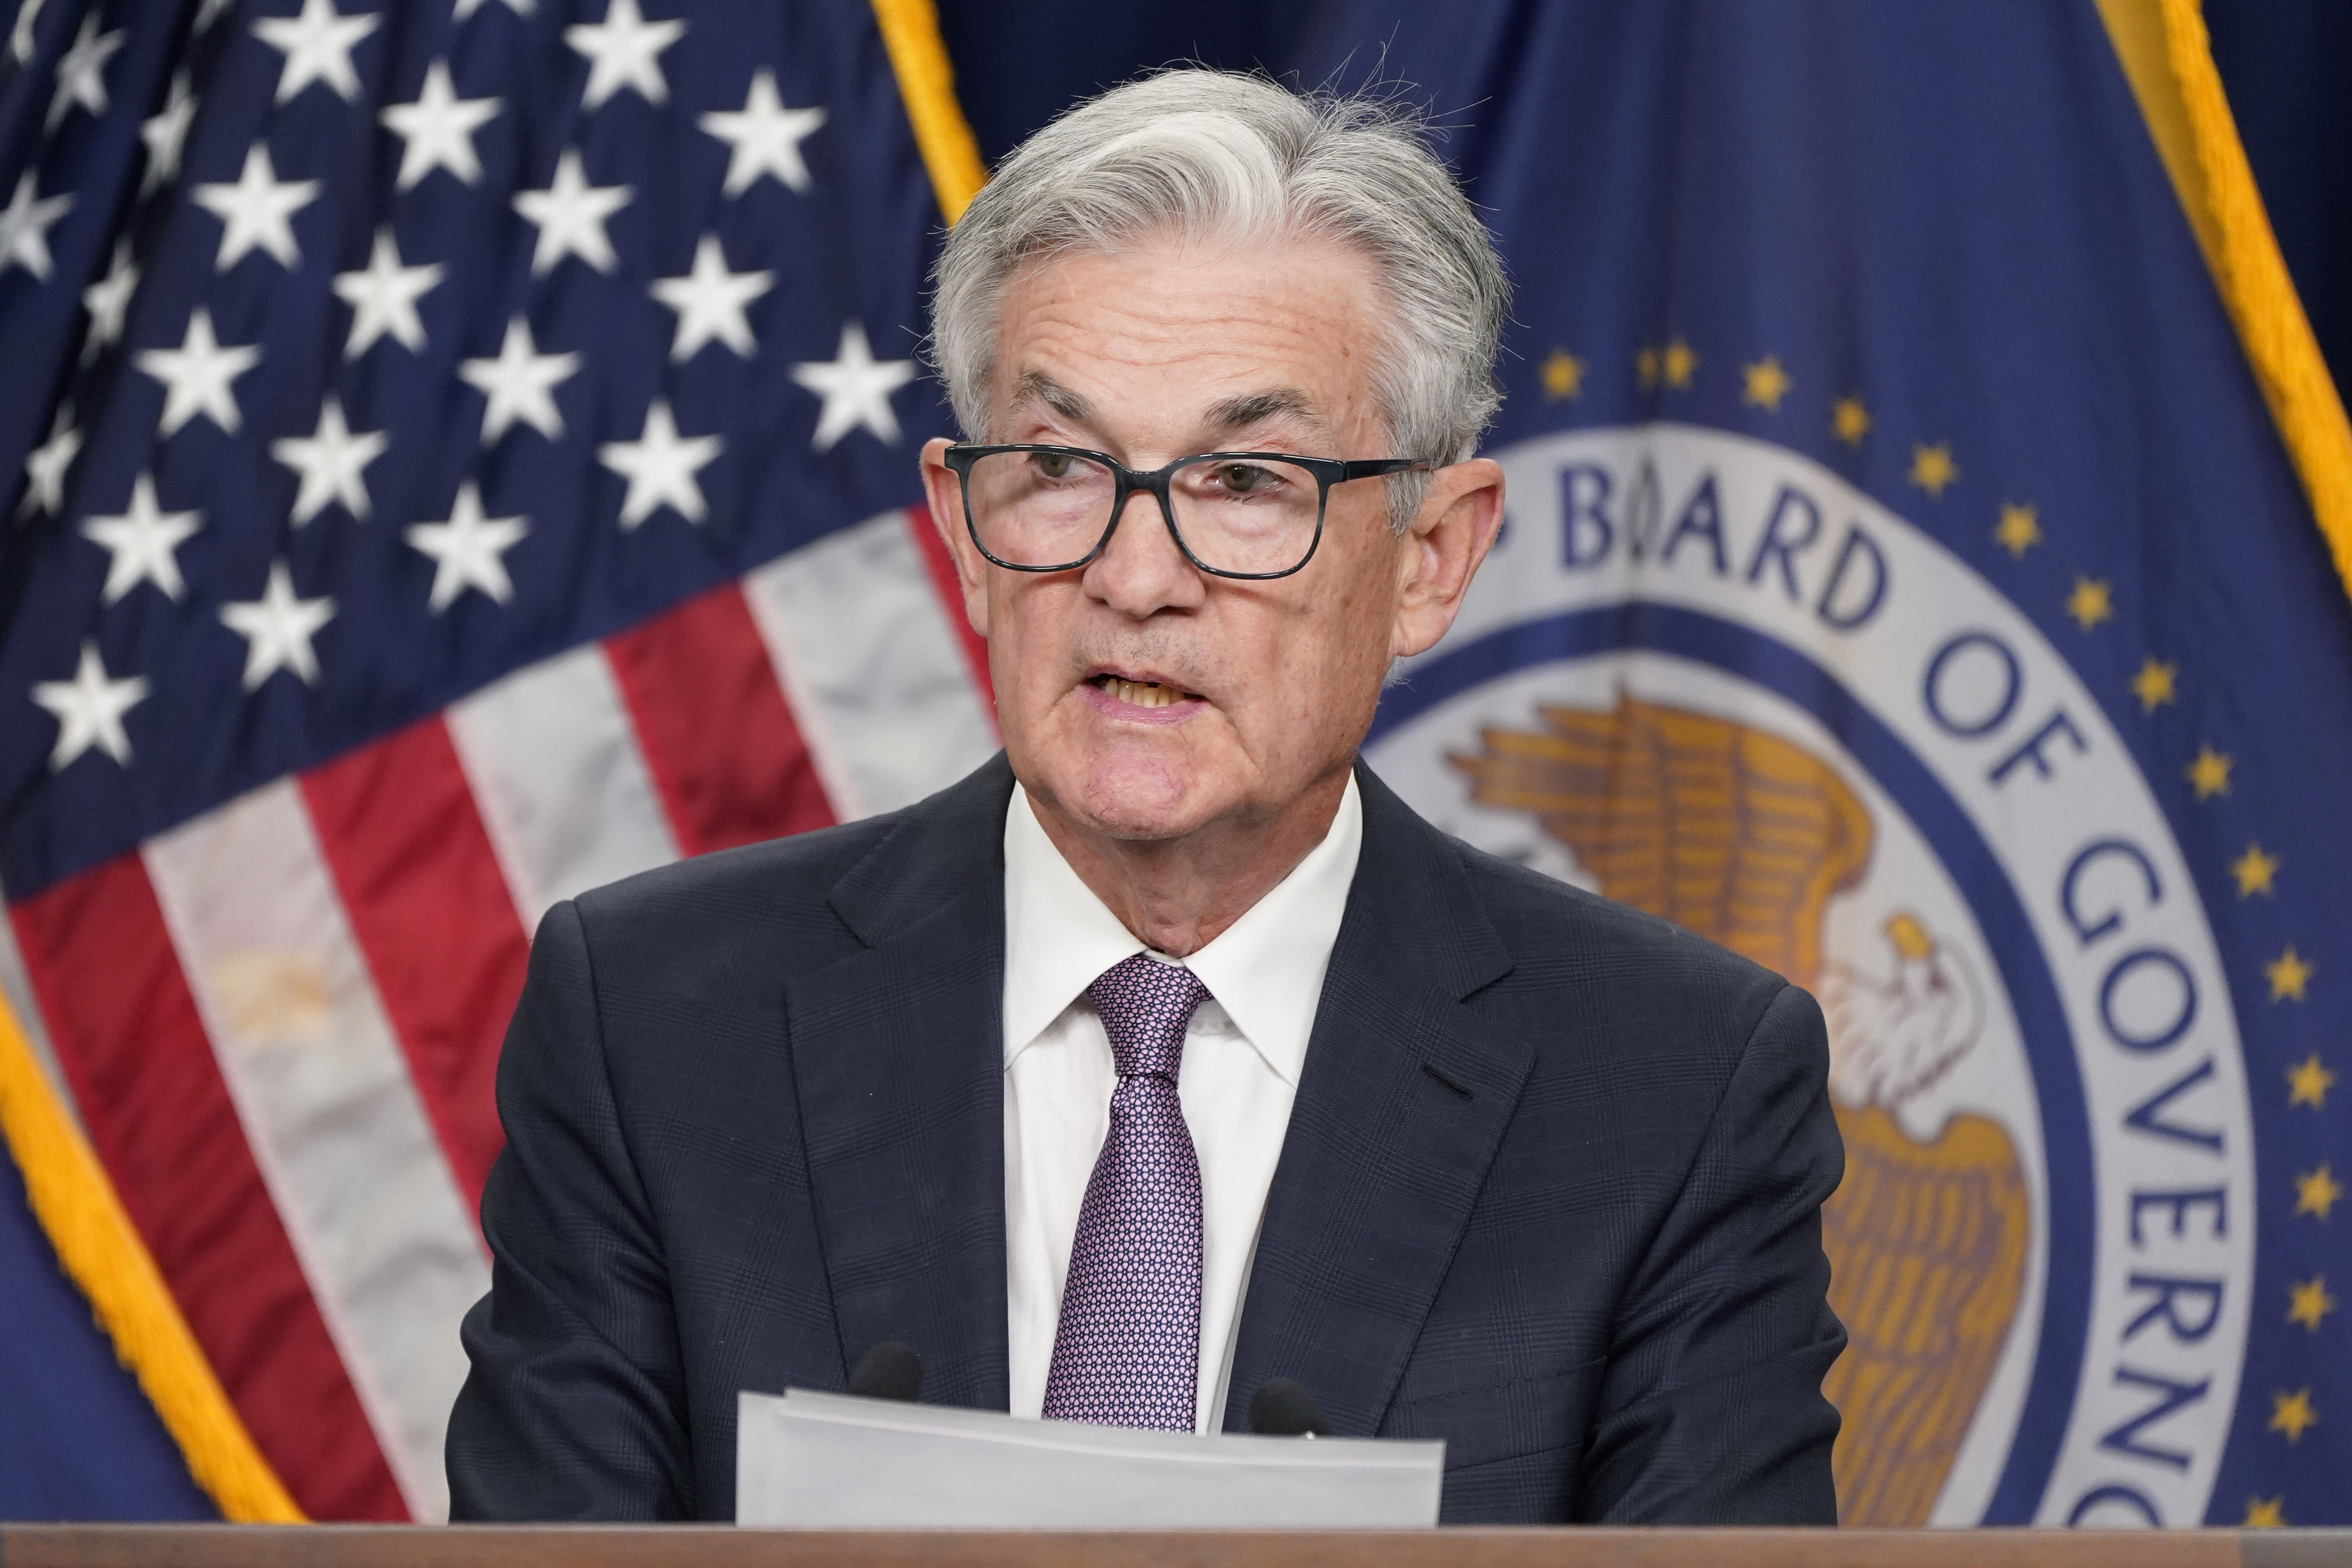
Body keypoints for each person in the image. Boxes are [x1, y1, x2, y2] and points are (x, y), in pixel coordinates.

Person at [447, 68, 1846, 1525]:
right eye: (1058, 467)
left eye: (1245, 480)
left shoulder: (1673, 1092)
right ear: (966, 533)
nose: (1134, 576)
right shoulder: (659, 1025)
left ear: (1431, 555)